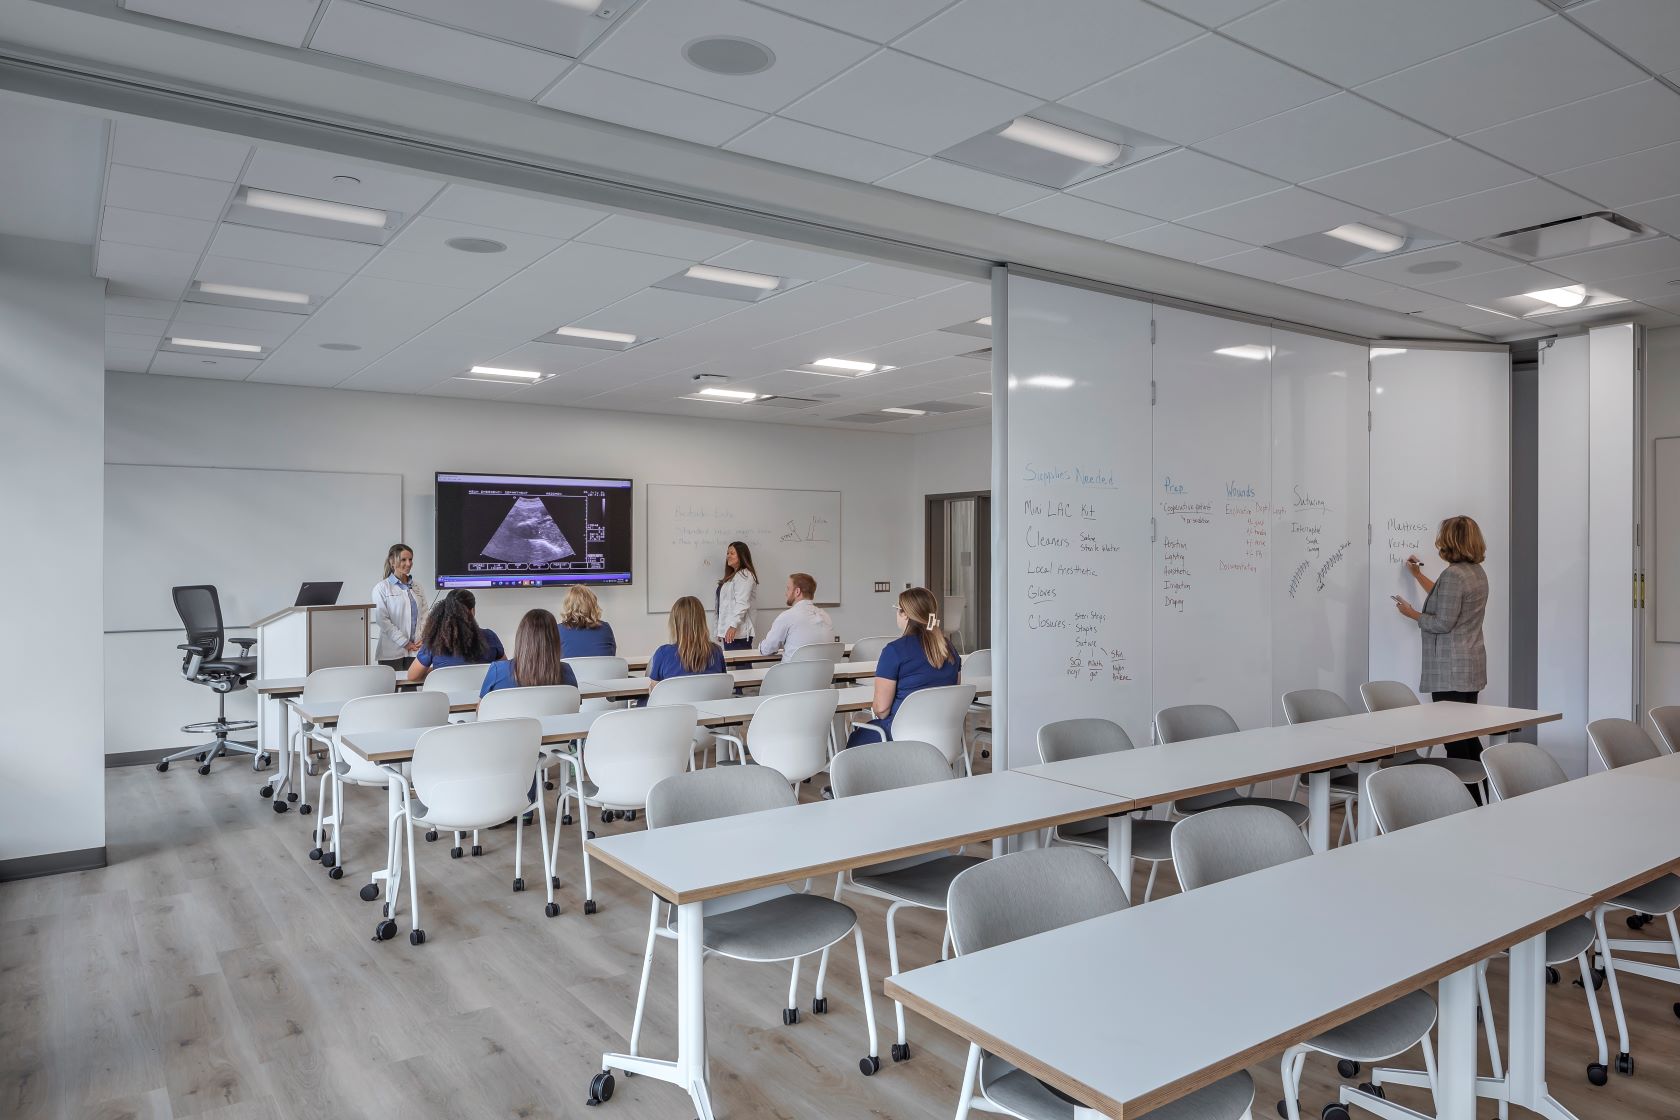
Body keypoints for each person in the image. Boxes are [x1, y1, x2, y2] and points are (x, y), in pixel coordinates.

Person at [1393, 515, 1490, 788]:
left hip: (1450, 671)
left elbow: (1443, 622)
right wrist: (1417, 576)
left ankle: (1467, 801)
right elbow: (1446, 598)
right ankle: (1483, 797)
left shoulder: (1453, 575)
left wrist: (1412, 613)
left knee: (1455, 742)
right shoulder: (1475, 572)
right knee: (1468, 736)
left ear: (1450, 541)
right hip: (1468, 667)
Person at [847, 587, 961, 748]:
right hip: (942, 737)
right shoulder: (949, 649)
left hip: (900, 737)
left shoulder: (894, 651)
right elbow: (954, 691)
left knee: (855, 742)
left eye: (897, 608)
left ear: (905, 614)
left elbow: (881, 710)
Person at [408, 589, 504, 682]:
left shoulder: (435, 640)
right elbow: (503, 669)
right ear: (472, 611)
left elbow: (412, 676)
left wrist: (437, 671)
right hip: (482, 693)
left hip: (444, 693)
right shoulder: (490, 636)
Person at [481, 608, 578, 696]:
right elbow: (574, 706)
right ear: (555, 639)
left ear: (521, 637)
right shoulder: (566, 673)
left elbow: (482, 708)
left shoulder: (497, 671)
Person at [371, 542, 426, 670]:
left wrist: (423, 637)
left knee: (414, 683)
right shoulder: (381, 588)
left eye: (410, 559)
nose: (408, 563)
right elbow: (382, 620)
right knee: (392, 682)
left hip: (416, 649)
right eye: (403, 560)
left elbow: (425, 614)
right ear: (392, 562)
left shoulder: (417, 586)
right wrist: (404, 642)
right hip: (391, 652)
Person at [758, 572, 836, 658]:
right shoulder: (825, 616)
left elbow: (766, 649)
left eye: (788, 589)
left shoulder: (787, 617)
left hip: (793, 667)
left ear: (797, 591)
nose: (786, 593)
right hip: (823, 667)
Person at [649, 595, 726, 681]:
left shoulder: (663, 654)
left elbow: (654, 688)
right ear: (702, 622)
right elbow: (722, 682)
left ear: (674, 623)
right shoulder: (716, 651)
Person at [714, 540, 759, 651]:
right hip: (728, 632)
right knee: (730, 662)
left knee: (741, 662)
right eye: (727, 553)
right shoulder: (731, 577)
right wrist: (719, 630)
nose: (728, 556)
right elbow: (721, 607)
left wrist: (733, 625)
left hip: (738, 634)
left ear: (742, 556)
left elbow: (742, 603)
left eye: (732, 553)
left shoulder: (745, 575)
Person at [556, 585, 616, 658]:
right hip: (600, 666)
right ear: (593, 604)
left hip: (571, 666)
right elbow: (612, 655)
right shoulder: (605, 628)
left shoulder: (558, 630)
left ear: (567, 605)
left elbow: (553, 659)